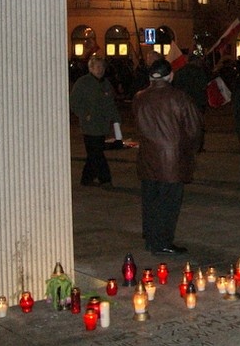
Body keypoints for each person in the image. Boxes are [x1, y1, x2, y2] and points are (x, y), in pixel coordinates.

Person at [133, 59, 203, 255]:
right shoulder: (179, 98)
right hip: (171, 160)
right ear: (170, 75)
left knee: (150, 200)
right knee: (168, 203)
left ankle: (150, 236)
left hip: (147, 157)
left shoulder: (139, 97)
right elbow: (194, 128)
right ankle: (163, 241)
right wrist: (190, 149)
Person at [70, 56, 121, 187]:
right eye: (97, 67)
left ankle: (86, 178)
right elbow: (74, 102)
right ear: (91, 68)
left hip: (102, 125)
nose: (100, 70)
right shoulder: (83, 82)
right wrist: (84, 114)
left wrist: (116, 120)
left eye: (102, 67)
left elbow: (110, 104)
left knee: (93, 153)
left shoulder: (106, 84)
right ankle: (105, 178)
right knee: (97, 152)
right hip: (89, 125)